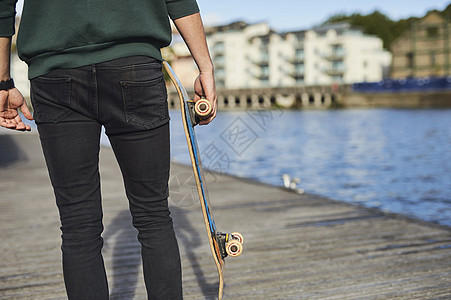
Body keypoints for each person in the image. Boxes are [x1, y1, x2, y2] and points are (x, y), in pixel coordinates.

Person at [0, 0, 217, 299]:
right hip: (134, 66)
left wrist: (2, 81)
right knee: (153, 215)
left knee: (78, 225)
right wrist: (204, 66)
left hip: (55, 74)